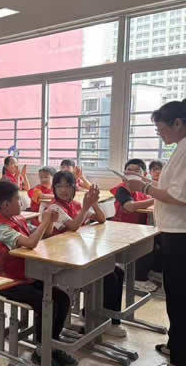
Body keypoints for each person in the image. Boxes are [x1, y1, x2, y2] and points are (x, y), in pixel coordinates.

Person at [0, 181, 76, 366]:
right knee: (45, 303)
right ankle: (42, 351)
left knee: (62, 299)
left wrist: (50, 221)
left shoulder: (17, 219)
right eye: (18, 199)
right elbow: (31, 243)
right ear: (6, 205)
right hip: (6, 281)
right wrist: (45, 221)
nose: (22, 202)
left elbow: (43, 235)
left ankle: (51, 345)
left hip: (26, 276)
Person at [125, 99, 186, 366]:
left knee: (179, 296)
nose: (159, 133)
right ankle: (176, 345)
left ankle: (180, 353)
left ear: (177, 123)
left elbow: (178, 197)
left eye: (160, 128)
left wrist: (144, 187)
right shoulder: (180, 148)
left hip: (180, 234)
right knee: (176, 295)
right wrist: (148, 184)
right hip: (175, 231)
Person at [48, 171, 126, 338]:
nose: (63, 190)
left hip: (78, 255)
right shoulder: (54, 207)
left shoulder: (75, 204)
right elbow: (73, 226)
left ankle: (108, 319)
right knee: (109, 276)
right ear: (53, 188)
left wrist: (94, 203)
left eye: (68, 186)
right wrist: (85, 207)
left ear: (74, 188)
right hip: (61, 261)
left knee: (117, 271)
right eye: (59, 186)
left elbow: (101, 219)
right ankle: (99, 319)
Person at [110, 159, 157, 292]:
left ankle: (150, 271)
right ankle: (138, 279)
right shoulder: (122, 189)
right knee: (148, 242)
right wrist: (156, 199)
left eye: (137, 171)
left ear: (144, 175)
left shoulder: (142, 189)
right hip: (122, 229)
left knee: (158, 240)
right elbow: (130, 207)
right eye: (129, 170)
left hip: (137, 227)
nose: (132, 173)